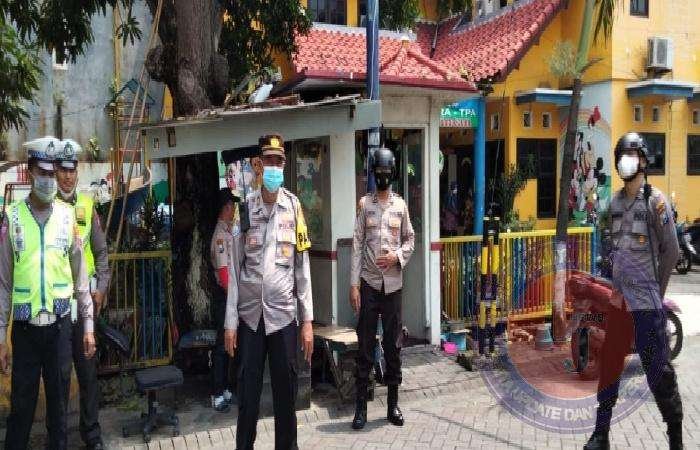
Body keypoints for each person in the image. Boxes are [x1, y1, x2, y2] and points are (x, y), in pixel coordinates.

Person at [584, 132, 683, 450]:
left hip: (646, 305)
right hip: (619, 303)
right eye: (621, 156)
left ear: (643, 160)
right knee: (610, 366)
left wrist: (657, 292)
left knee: (658, 372)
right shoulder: (614, 203)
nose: (624, 161)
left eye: (631, 155)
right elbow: (613, 248)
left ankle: (676, 438)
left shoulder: (656, 201)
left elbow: (672, 251)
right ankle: (601, 435)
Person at [0, 136, 95, 450]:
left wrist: (88, 326)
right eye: (43, 173)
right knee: (21, 411)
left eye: (53, 173)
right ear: (30, 172)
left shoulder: (68, 217)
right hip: (25, 332)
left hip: (59, 329)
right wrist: (1, 337)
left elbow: (81, 278)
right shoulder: (13, 217)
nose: (50, 179)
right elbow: (3, 283)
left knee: (59, 414)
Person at [223, 134, 314, 450]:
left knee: (286, 396)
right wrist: (230, 323)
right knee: (248, 395)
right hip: (250, 319)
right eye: (269, 160)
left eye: (279, 161)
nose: (274, 166)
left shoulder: (294, 207)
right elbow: (235, 268)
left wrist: (307, 321)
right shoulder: (245, 209)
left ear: (284, 165)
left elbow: (302, 269)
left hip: (283, 317)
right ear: (258, 165)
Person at [350, 147, 415, 430]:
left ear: (393, 172)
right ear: (373, 173)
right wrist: (354, 285)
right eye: (379, 172)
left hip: (393, 287)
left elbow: (410, 239)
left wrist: (397, 257)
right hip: (369, 284)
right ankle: (360, 409)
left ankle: (392, 406)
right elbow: (356, 245)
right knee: (365, 346)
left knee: (393, 346)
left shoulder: (401, 206)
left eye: (387, 172)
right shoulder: (365, 204)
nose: (383, 176)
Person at [54, 139, 110, 450]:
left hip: (86, 303)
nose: (67, 176)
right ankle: (59, 438)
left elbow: (101, 253)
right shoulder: (47, 206)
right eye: (62, 171)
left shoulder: (87, 206)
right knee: (60, 375)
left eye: (72, 171)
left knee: (88, 372)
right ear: (55, 173)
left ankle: (92, 434)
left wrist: (101, 289)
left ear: (77, 172)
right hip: (59, 303)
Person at [209, 188, 239, 412]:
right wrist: (234, 300)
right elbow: (223, 273)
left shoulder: (229, 231)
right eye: (232, 206)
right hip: (225, 297)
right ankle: (217, 393)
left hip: (231, 296)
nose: (235, 209)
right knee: (221, 347)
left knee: (231, 345)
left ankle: (227, 388)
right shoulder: (220, 235)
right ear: (226, 208)